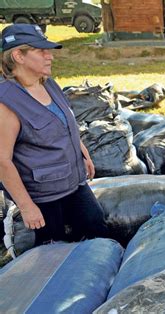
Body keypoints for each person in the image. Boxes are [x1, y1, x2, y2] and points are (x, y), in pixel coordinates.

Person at [0, 24, 108, 246]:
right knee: (54, 252)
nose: (49, 56)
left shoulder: (48, 83)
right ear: (18, 55)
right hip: (44, 197)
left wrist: (82, 152)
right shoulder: (7, 103)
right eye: (41, 51)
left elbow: (65, 123)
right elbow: (2, 161)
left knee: (98, 231)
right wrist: (27, 206)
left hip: (74, 182)